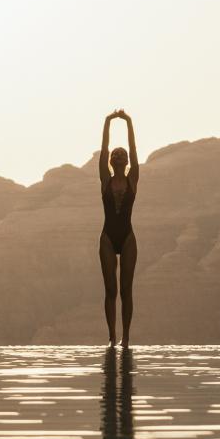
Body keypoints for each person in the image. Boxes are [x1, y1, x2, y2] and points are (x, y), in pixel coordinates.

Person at [98, 108, 139, 348]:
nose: (122, 156)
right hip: (107, 237)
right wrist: (107, 122)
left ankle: (126, 338)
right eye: (118, 155)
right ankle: (112, 336)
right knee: (110, 290)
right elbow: (103, 151)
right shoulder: (105, 180)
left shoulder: (133, 179)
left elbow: (134, 152)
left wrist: (129, 123)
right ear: (113, 162)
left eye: (123, 155)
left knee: (126, 290)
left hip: (127, 237)